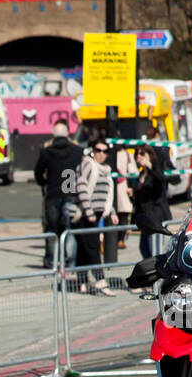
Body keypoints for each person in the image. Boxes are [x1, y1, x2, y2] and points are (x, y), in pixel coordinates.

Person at [33, 121, 83, 269]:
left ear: (53, 135)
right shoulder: (77, 151)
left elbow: (37, 172)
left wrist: (44, 182)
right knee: (69, 228)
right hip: (71, 193)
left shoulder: (47, 152)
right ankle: (69, 259)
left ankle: (50, 260)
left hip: (53, 193)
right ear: (67, 134)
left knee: (51, 228)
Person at [73, 139, 119, 294]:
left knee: (84, 249)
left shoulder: (105, 170)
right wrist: (89, 211)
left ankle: (81, 282)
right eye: (98, 150)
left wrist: (111, 212)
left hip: (97, 213)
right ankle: (100, 281)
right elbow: (81, 185)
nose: (101, 154)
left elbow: (106, 195)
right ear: (93, 151)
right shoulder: (88, 164)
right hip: (86, 214)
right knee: (92, 247)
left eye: (105, 151)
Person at [129, 145, 168, 259]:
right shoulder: (141, 174)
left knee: (155, 252)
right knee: (144, 249)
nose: (139, 157)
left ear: (150, 156)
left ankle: (159, 275)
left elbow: (161, 180)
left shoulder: (155, 170)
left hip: (155, 218)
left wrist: (150, 166)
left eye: (142, 154)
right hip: (144, 219)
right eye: (137, 154)